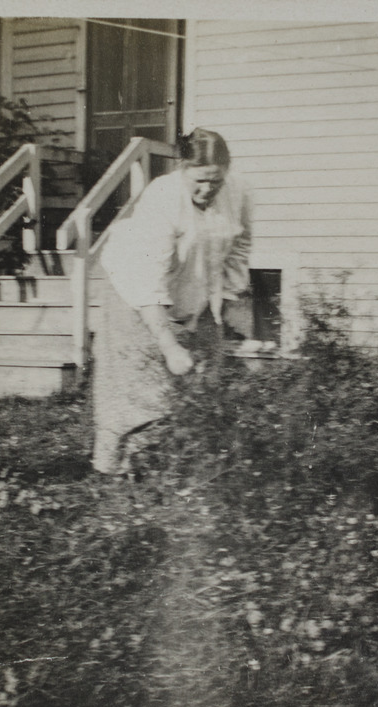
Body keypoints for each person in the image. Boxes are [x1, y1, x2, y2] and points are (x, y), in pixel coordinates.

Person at [91, 128, 253, 473]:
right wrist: (168, 346)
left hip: (190, 291)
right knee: (139, 384)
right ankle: (117, 472)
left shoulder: (237, 191)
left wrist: (229, 300)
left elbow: (238, 247)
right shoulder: (162, 198)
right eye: (199, 180)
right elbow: (148, 279)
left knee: (201, 377)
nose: (208, 189)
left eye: (216, 181)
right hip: (133, 292)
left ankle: (175, 467)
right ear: (181, 167)